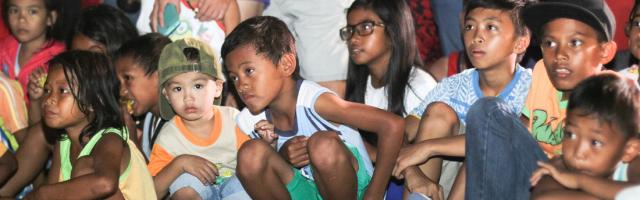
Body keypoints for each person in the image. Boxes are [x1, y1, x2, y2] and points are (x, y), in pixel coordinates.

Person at [222, 16, 404, 199]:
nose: (241, 84)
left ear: (286, 64)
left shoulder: (315, 101)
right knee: (250, 154)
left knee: (322, 145)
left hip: (355, 191)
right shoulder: (248, 120)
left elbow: (392, 125)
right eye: (234, 77)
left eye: (248, 71)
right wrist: (281, 157)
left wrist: (375, 193)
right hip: (305, 190)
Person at [457, 0, 618, 199]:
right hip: (535, 175)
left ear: (605, 51)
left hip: (578, 186)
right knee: (489, 110)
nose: (559, 55)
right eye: (550, 43)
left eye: (575, 42)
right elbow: (521, 131)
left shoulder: (615, 96)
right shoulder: (542, 72)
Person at [392, 0, 533, 199]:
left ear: (521, 41)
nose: (476, 36)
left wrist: (428, 147)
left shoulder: (531, 87)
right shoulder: (453, 86)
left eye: (490, 27)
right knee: (438, 113)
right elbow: (398, 132)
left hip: (505, 188)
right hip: (447, 187)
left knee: (486, 123)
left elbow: (504, 139)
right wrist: (412, 172)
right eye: (470, 26)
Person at [25, 50, 156, 199]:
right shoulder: (64, 142)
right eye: (47, 90)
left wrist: (42, 193)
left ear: (93, 102)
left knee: (84, 168)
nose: (49, 99)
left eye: (62, 91)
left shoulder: (110, 138)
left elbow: (105, 184)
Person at [147, 38, 250, 199]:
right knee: (184, 183)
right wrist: (179, 164)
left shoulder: (234, 120)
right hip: (194, 193)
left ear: (217, 88)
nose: (188, 98)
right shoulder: (168, 138)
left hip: (235, 190)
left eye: (198, 86)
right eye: (178, 88)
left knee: (244, 185)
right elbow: (150, 193)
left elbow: (257, 166)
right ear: (166, 95)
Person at [529, 72, 640, 199]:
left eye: (595, 143)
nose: (578, 153)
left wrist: (580, 181)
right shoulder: (559, 167)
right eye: (571, 135)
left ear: (629, 150)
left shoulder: (634, 165)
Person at [0, 0, 66, 125]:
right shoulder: (4, 48)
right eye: (14, 10)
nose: (21, 19)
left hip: (33, 132)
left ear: (50, 18)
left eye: (32, 11)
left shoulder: (58, 61)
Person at [114, 33, 172, 160]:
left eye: (128, 78)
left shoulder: (178, 124)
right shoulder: (150, 118)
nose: (121, 91)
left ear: (160, 76)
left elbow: (153, 179)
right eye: (119, 82)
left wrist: (132, 141)